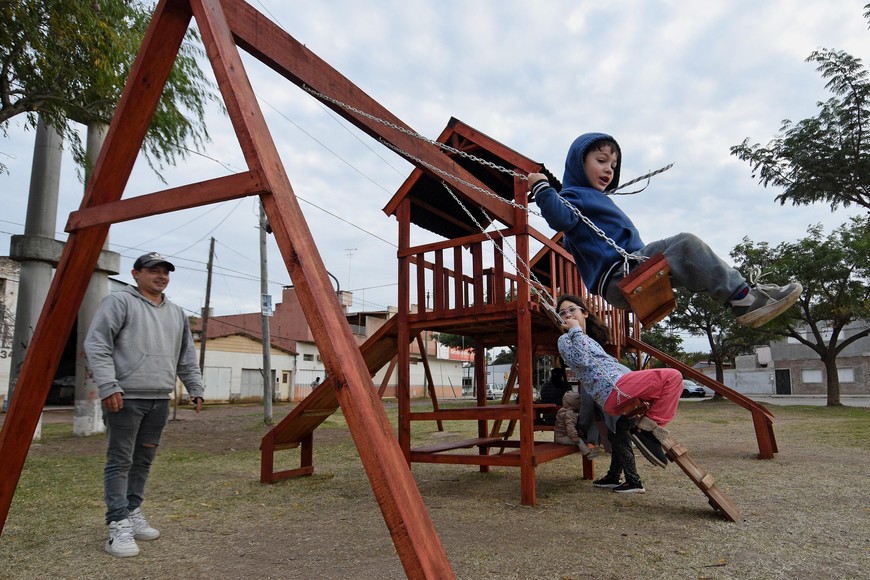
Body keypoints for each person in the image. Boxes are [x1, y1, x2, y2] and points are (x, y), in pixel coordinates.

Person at [528, 132, 802, 329]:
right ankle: (744, 298)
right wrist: (541, 187)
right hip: (620, 274)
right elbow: (559, 218)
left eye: (613, 165)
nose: (609, 170)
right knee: (686, 245)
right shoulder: (572, 196)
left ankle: (741, 298)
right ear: (578, 162)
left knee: (695, 264)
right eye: (601, 160)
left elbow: (576, 236)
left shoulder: (593, 199)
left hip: (628, 269)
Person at [84, 252, 204, 558]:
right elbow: (97, 344)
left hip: (159, 398)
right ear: (136, 274)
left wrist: (195, 387)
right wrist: (108, 385)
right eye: (154, 270)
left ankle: (132, 510)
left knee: (144, 460)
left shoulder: (176, 313)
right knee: (120, 460)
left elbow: (186, 355)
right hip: (125, 397)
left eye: (166, 272)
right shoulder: (119, 302)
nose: (161, 276)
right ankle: (117, 524)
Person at [555, 294, 683, 492]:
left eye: (572, 309)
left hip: (618, 386)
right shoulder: (565, 340)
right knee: (672, 377)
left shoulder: (588, 340)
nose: (568, 315)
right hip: (613, 389)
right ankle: (648, 432)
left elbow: (601, 362)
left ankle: (647, 433)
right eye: (563, 313)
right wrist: (575, 330)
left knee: (669, 385)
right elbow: (581, 360)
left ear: (585, 313)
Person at [553, 390, 600, 459]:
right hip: (562, 437)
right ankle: (588, 453)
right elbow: (570, 426)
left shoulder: (570, 411)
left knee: (584, 440)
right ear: (573, 403)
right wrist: (574, 436)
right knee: (579, 441)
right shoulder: (569, 413)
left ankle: (591, 449)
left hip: (566, 435)